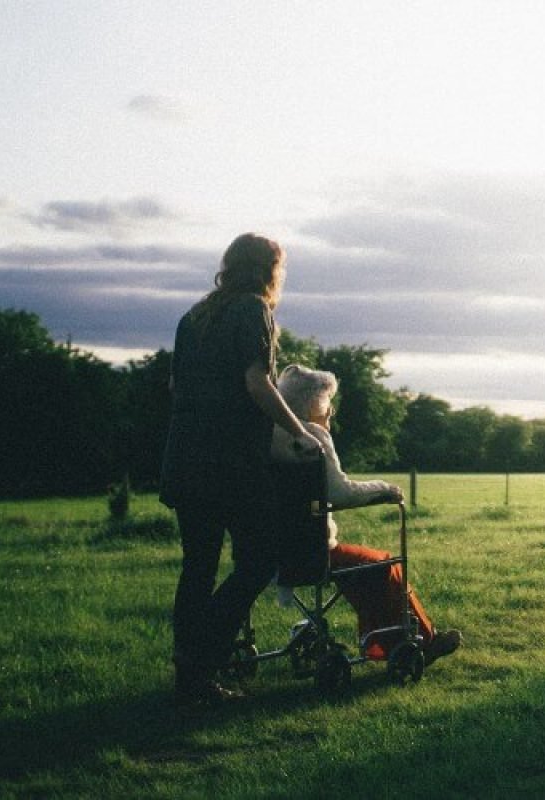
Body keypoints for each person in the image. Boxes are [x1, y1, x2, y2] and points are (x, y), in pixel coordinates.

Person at [159, 233, 325, 712]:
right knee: (259, 560)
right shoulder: (254, 310)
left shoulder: (194, 316)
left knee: (198, 566)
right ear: (269, 269)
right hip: (229, 462)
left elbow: (176, 385)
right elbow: (257, 381)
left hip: (185, 458)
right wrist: (299, 431)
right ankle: (202, 658)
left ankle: (188, 676)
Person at [271, 364, 462, 665]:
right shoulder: (313, 437)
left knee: (363, 567)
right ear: (311, 403)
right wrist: (386, 489)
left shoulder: (271, 435)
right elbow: (341, 493)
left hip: (273, 551)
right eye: (327, 401)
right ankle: (420, 640)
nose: (331, 410)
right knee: (383, 564)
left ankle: (387, 640)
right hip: (311, 551)